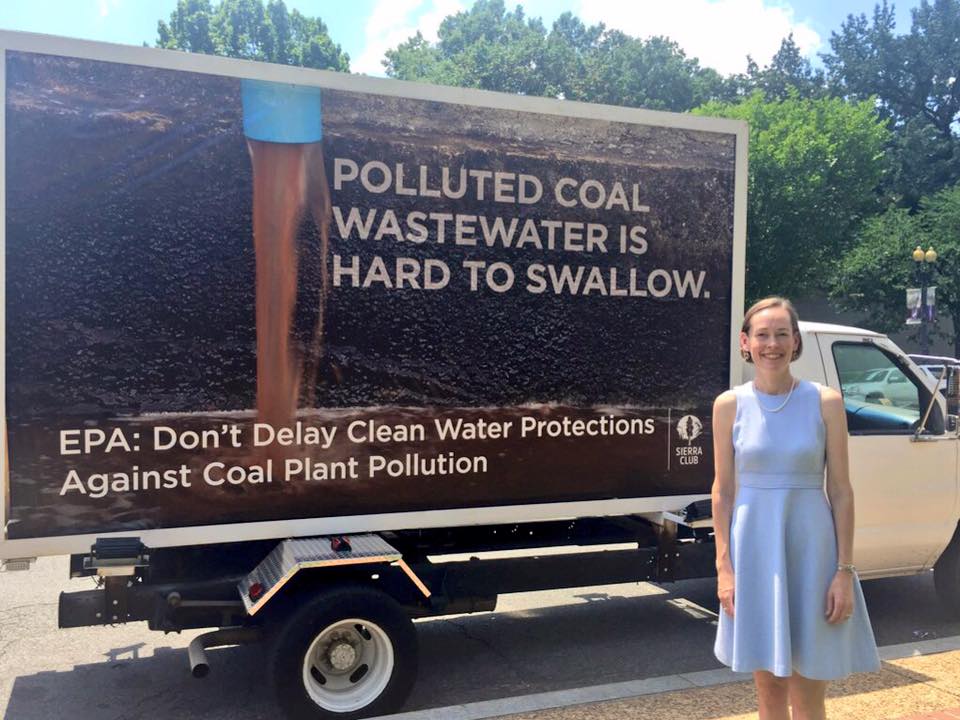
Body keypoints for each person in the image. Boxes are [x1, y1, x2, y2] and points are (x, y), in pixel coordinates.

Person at [712, 297, 880, 720]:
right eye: (763, 335)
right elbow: (723, 492)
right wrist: (724, 568)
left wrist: (844, 571)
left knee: (809, 693)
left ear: (796, 341)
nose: (773, 344)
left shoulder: (825, 402)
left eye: (782, 334)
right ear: (745, 342)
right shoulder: (728, 405)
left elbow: (841, 490)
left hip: (813, 555)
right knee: (768, 691)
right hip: (754, 556)